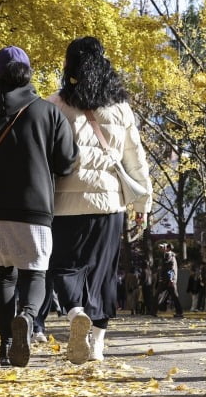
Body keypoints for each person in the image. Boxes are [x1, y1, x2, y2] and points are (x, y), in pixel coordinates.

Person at [0, 45, 78, 367]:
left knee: (2, 277)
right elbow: (66, 161)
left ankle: (6, 344)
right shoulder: (48, 112)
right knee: (35, 272)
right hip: (35, 205)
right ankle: (26, 316)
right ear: (28, 73)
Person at [47, 37, 150, 364]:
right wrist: (142, 206)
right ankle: (97, 346)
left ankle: (76, 311)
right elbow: (136, 161)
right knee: (103, 273)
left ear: (69, 67)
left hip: (64, 204)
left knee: (64, 266)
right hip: (109, 205)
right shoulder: (121, 110)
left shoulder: (53, 106)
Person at [155, 243, 183, 318]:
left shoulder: (168, 255)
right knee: (174, 297)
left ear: (168, 248)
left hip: (167, 280)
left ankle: (153, 311)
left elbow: (171, 268)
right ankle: (179, 312)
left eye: (163, 247)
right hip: (168, 280)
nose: (161, 249)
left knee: (158, 295)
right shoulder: (168, 255)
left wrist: (171, 280)